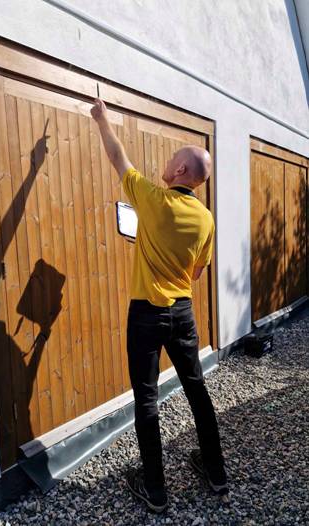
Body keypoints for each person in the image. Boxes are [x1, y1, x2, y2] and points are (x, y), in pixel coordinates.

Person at [90, 98, 227, 513]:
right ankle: (216, 473)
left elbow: (118, 157)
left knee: (147, 399)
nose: (165, 165)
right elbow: (197, 273)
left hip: (147, 315)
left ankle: (155, 491)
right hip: (183, 314)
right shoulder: (206, 219)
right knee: (197, 391)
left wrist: (102, 118)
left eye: (171, 161)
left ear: (181, 171)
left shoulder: (152, 199)